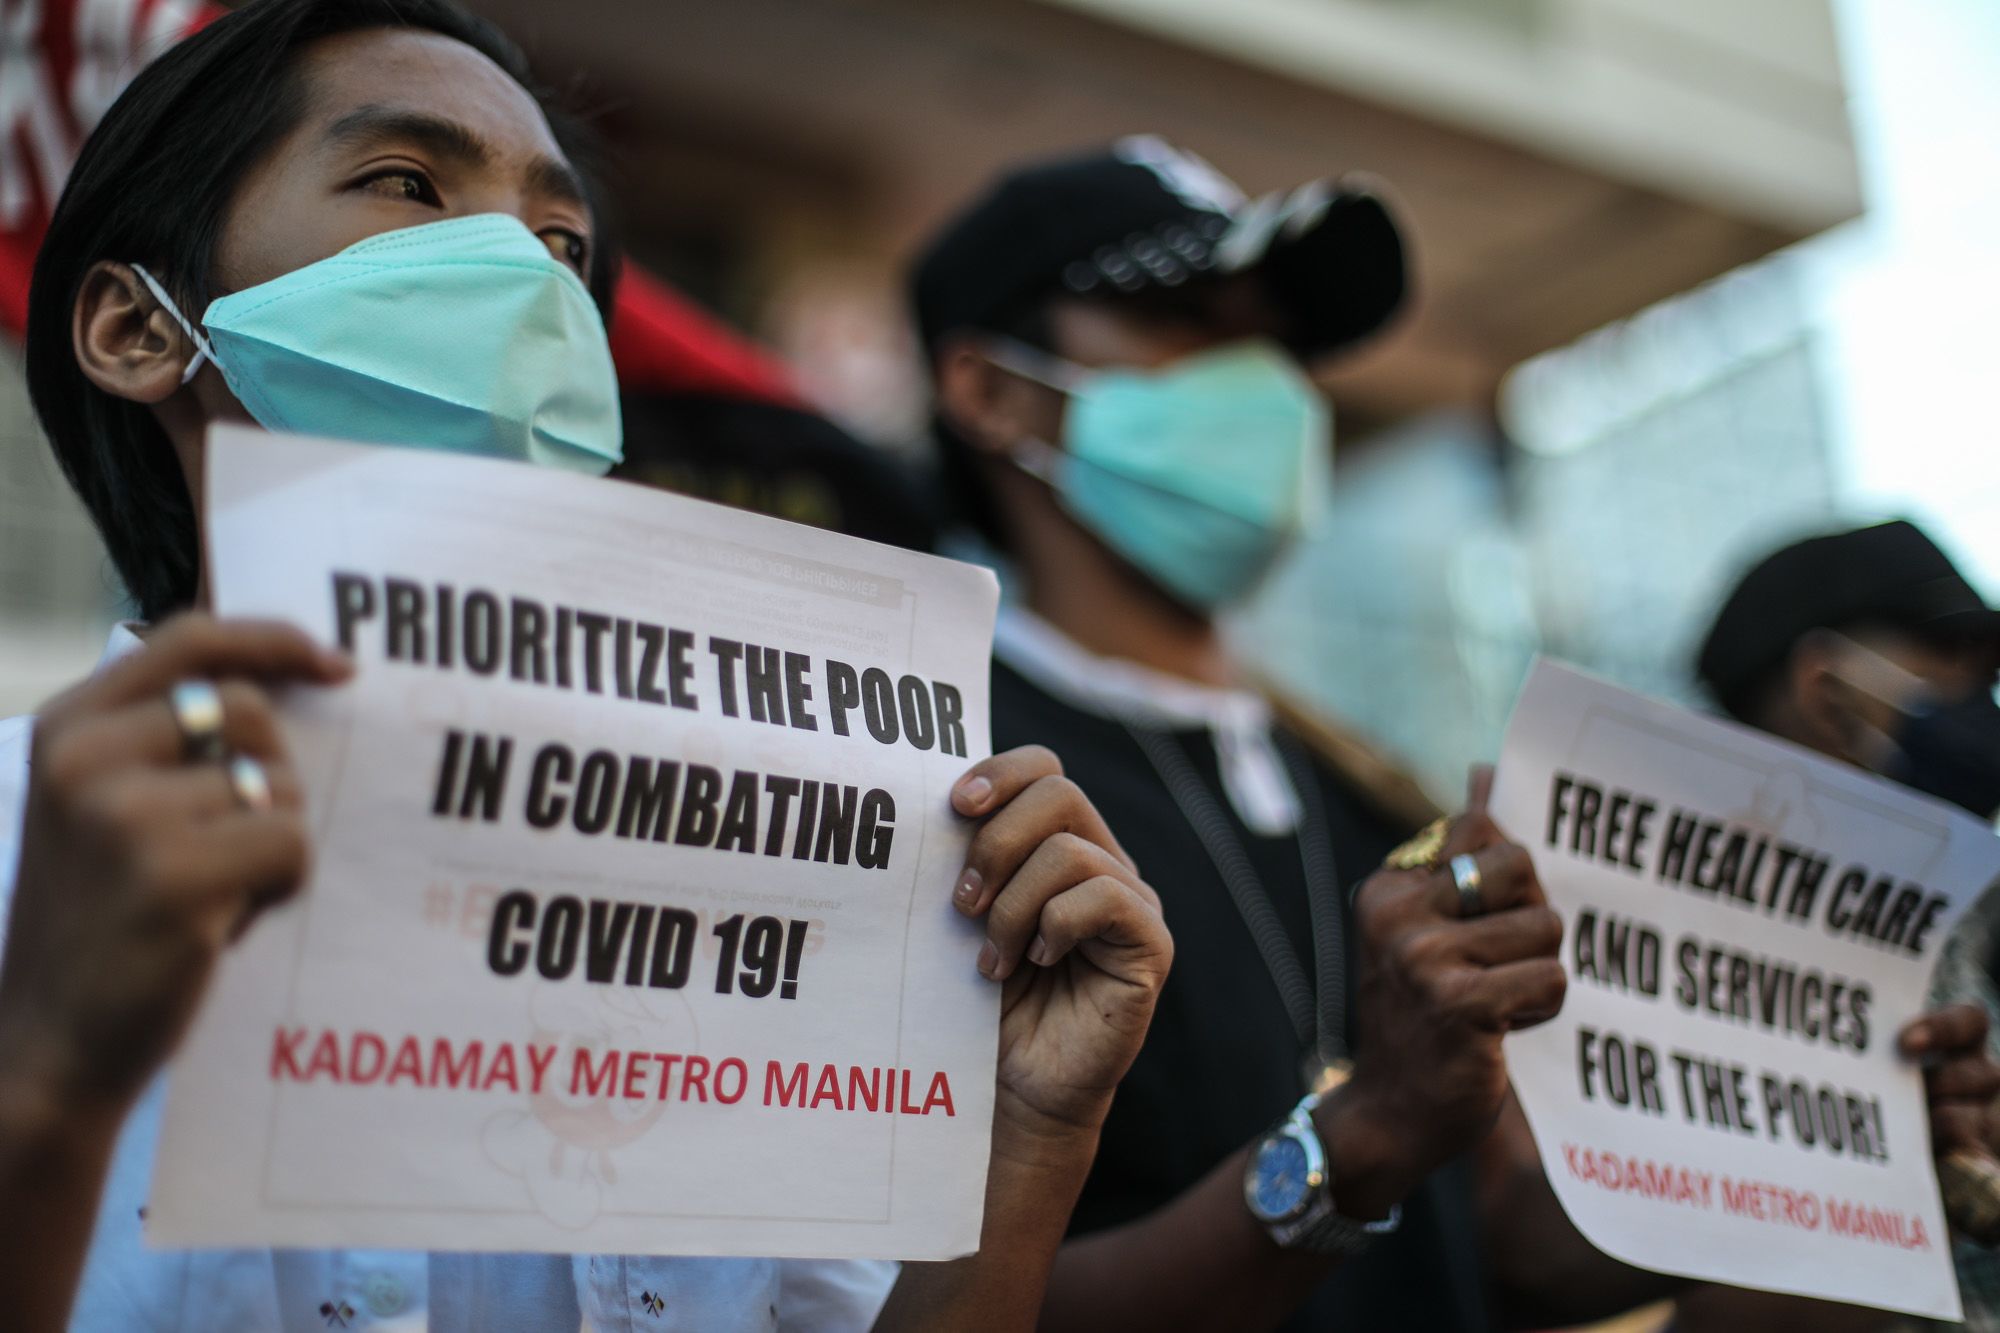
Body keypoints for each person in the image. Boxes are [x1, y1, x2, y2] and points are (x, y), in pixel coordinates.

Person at [0, 4, 1173, 1329]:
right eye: (406, 183)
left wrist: (1024, 1141)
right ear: (136, 327)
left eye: (564, 247)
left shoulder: (769, 900)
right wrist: (46, 1082)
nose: (519, 273)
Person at [910, 142, 2000, 1330]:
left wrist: (1849, 1160)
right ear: (989, 389)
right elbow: (935, 1303)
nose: (1265, 386)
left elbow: (1497, 1254)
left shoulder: (1375, 801)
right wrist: (1362, 1132)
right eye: (1181, 317)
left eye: (1271, 334)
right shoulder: (953, 784)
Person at [1680, 519, 2000, 1333]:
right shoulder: (1690, 968)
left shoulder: (1977, 909)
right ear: (1828, 690)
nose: (1980, 709)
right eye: (1954, 673)